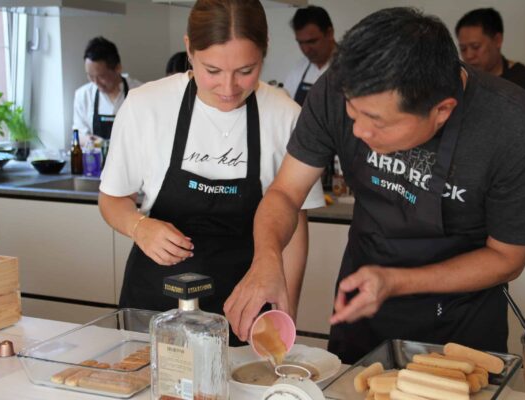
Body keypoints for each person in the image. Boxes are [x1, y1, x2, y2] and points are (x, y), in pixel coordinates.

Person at [224, 7, 525, 364]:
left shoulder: (518, 131)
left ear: (442, 111)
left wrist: (396, 281)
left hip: (461, 325)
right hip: (362, 307)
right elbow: (286, 193)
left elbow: (507, 258)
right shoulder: (338, 87)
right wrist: (266, 259)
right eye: (352, 114)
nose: (358, 131)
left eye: (377, 122)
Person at [98, 0, 324, 346]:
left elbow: (294, 224)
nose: (229, 88)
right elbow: (112, 200)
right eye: (213, 70)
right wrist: (139, 227)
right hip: (154, 305)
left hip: (245, 310)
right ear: (189, 49)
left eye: (246, 70)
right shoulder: (146, 106)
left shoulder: (285, 116)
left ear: (264, 51)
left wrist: (285, 311)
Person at [456, 8, 525, 111]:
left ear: (498, 40)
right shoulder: (460, 82)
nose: (469, 55)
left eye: (476, 47)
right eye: (463, 49)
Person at [73, 37, 142, 143]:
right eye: (90, 76)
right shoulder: (83, 95)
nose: (95, 82)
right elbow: (79, 136)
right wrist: (93, 141)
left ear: (118, 68)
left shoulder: (140, 92)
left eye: (101, 76)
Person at [283, 5, 336, 106]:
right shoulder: (298, 70)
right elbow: (286, 105)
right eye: (300, 43)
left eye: (312, 41)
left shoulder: (351, 67)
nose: (306, 50)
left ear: (329, 33)